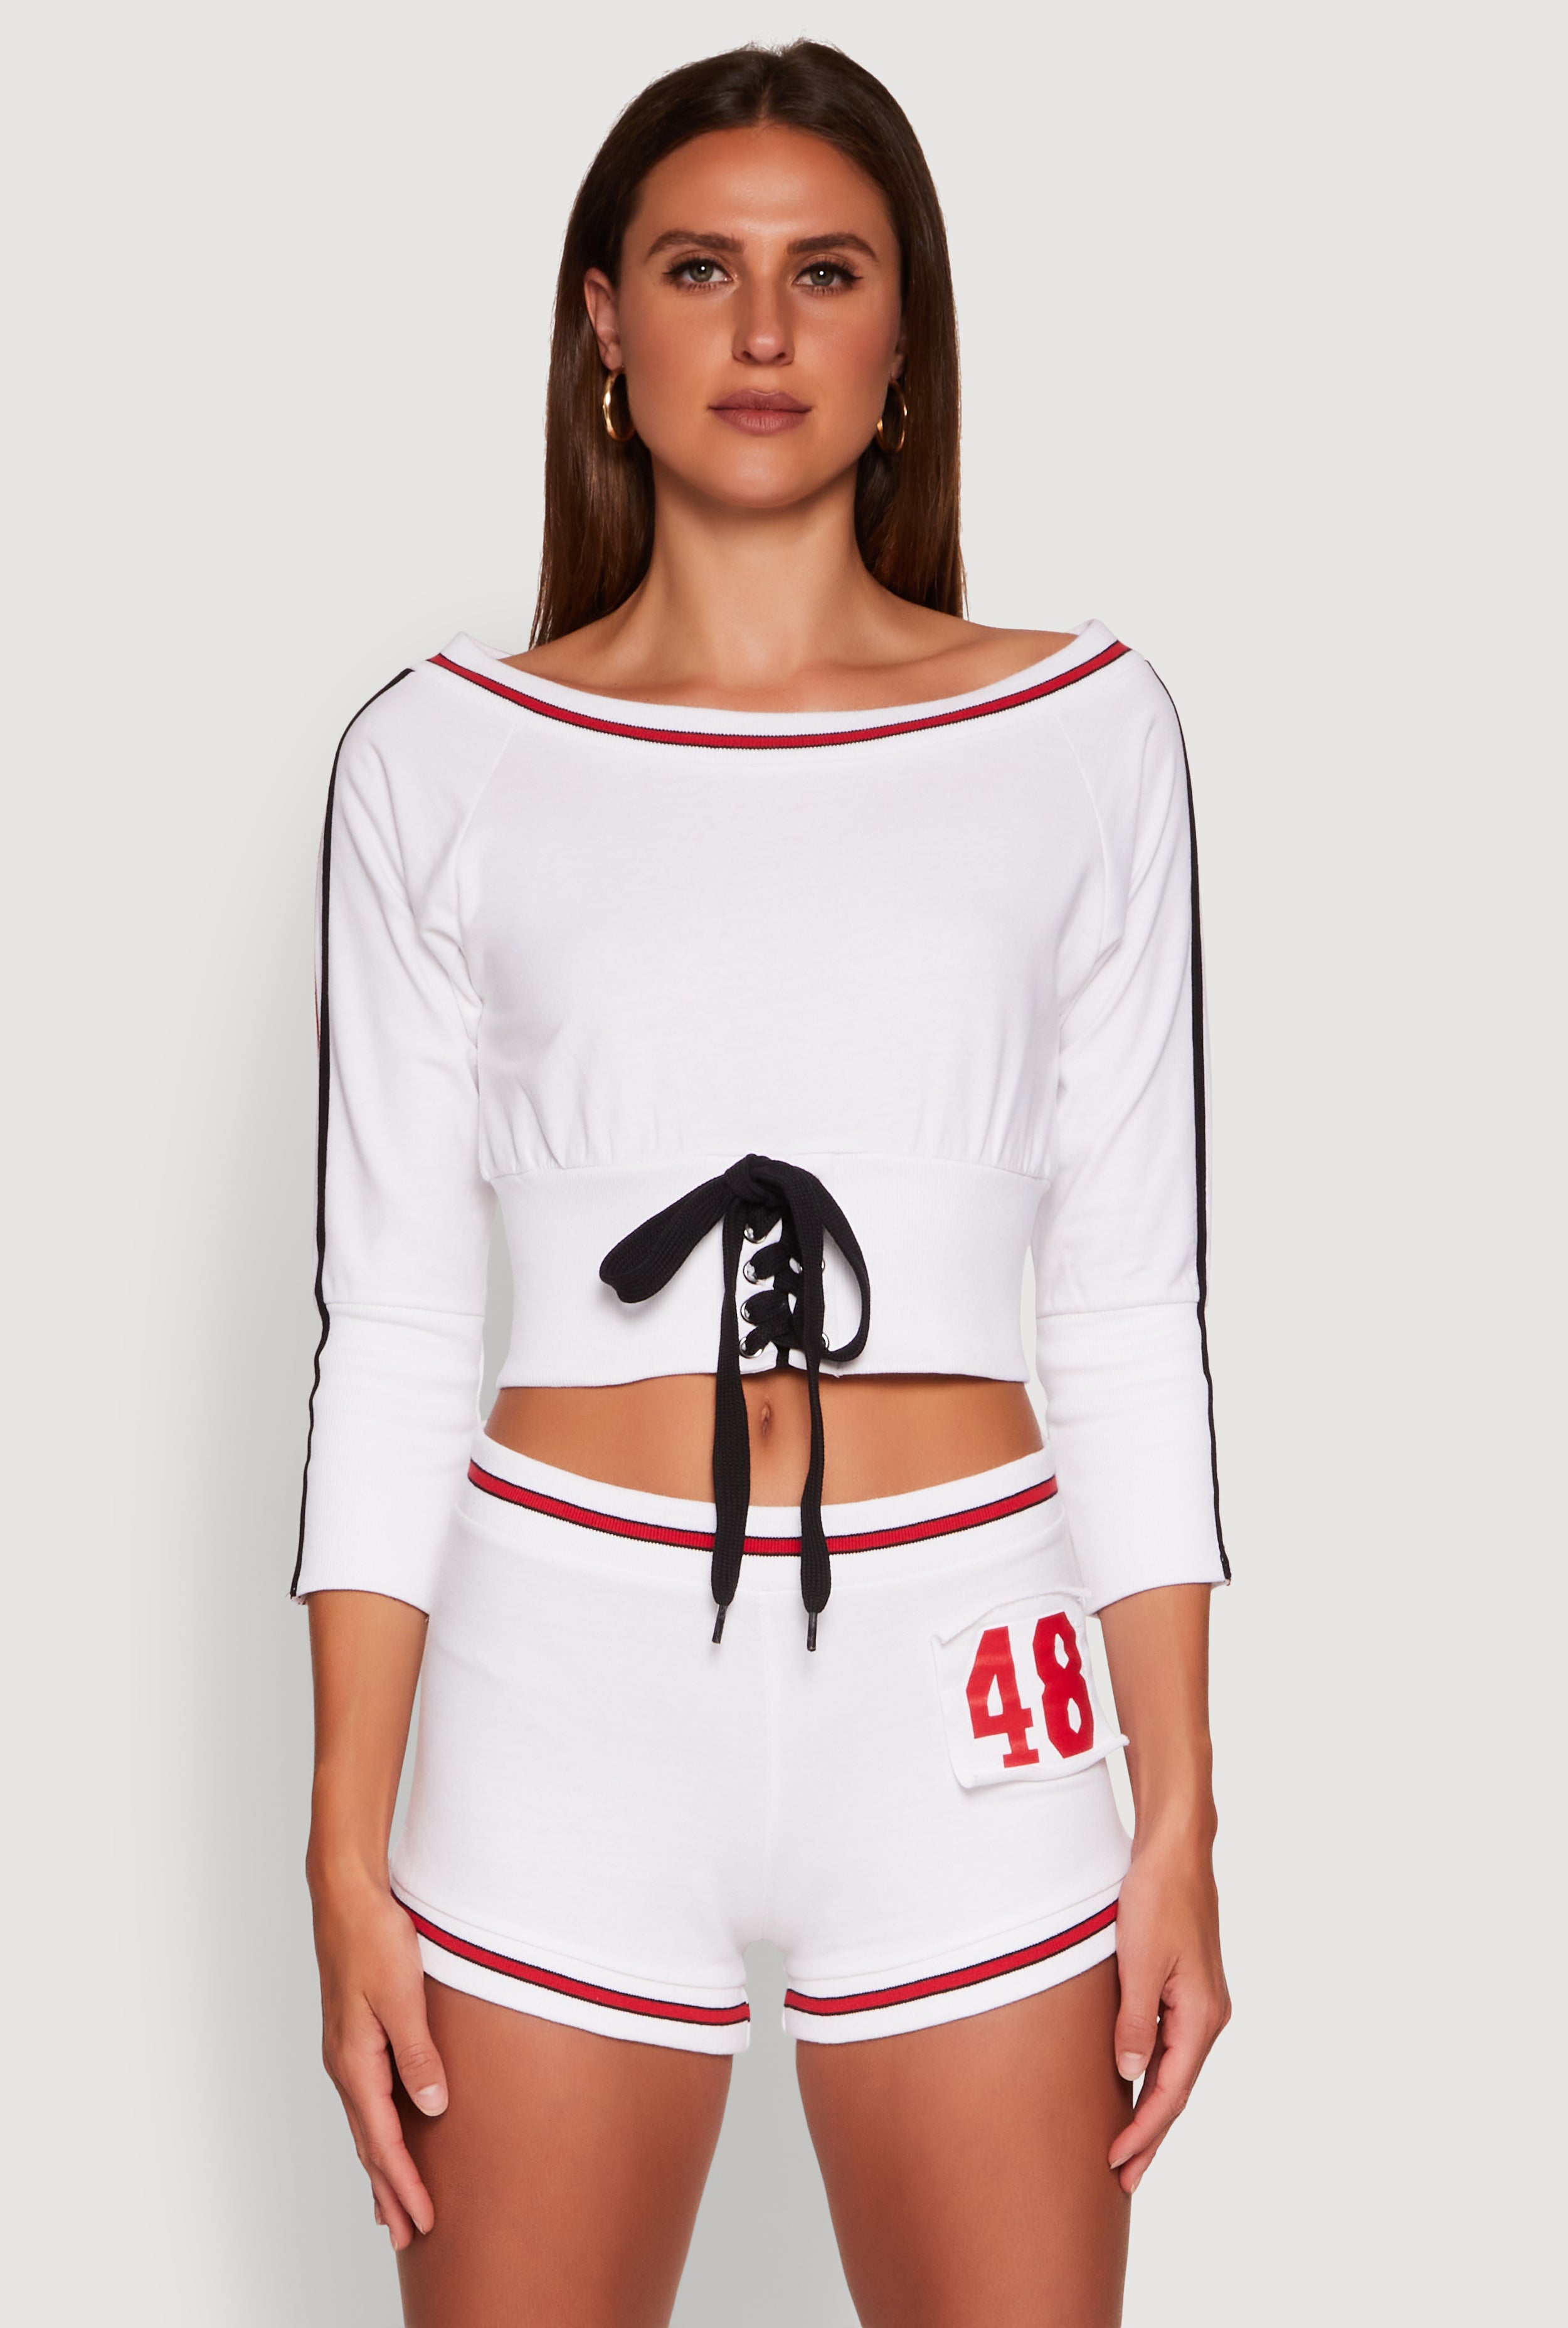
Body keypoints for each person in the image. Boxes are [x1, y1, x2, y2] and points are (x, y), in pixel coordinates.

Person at [297, 40, 1231, 2327]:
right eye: (699, 267)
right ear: (601, 322)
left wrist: (1180, 1807)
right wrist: (339, 1844)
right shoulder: (439, 755)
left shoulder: (1083, 728)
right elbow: (393, 1329)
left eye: (826, 272)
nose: (762, 328)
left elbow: (1129, 1308)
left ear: (906, 338)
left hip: (970, 1680)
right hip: (554, 1690)